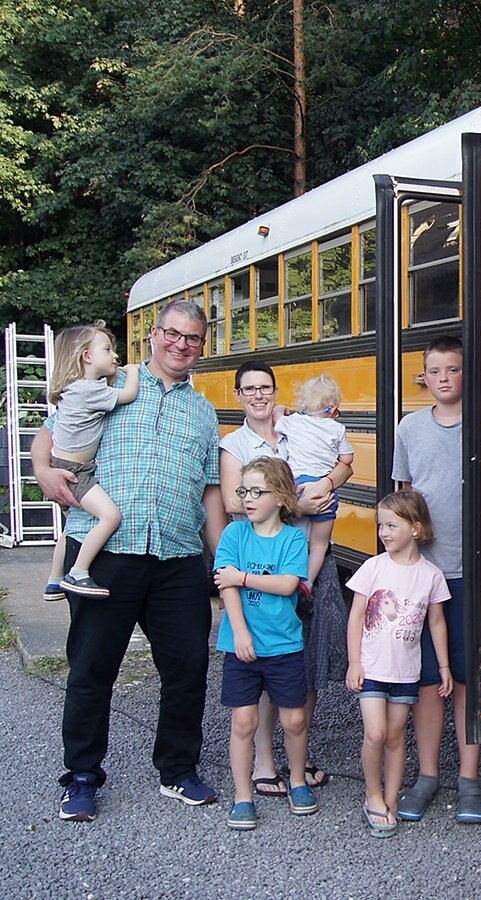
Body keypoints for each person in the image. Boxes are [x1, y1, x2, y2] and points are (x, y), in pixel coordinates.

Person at [32, 299, 227, 822]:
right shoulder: (112, 381)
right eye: (172, 334)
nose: (181, 345)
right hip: (104, 555)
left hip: (178, 555)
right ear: (154, 336)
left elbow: (211, 492)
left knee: (187, 667)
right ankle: (81, 776)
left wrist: (220, 560)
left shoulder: (203, 411)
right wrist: (42, 470)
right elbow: (53, 429)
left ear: (201, 346)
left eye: (193, 339)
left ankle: (178, 770)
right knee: (93, 668)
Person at [219, 361, 350, 796]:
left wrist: (329, 481)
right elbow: (234, 504)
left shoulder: (297, 426)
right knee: (263, 656)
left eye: (266, 387)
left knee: (304, 663)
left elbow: (343, 468)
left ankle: (300, 752)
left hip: (310, 562)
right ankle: (263, 760)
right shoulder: (235, 444)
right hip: (265, 567)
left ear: (277, 392)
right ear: (238, 394)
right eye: (249, 389)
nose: (258, 395)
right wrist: (299, 505)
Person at [391, 335, 481, 824]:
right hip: (423, 574)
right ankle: (427, 775)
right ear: (423, 376)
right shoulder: (409, 428)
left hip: (471, 571)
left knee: (467, 677)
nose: (446, 378)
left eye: (454, 369)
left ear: (466, 374)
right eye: (436, 370)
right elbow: (406, 498)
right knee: (428, 679)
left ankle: (469, 778)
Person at [214, 457, 316, 830]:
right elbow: (226, 587)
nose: (248, 499)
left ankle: (298, 781)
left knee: (294, 719)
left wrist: (241, 576)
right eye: (244, 491)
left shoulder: (292, 539)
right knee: (243, 721)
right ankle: (243, 795)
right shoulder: (233, 535)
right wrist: (239, 632)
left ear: (281, 496)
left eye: (258, 491)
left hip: (285, 645)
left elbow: (288, 584)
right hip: (241, 645)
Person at [345, 490, 452, 837]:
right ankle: (372, 794)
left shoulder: (431, 575)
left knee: (395, 736)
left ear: (416, 528)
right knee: (375, 733)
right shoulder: (373, 567)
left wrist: (445, 667)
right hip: (373, 668)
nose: (384, 533)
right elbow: (356, 615)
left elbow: (436, 622)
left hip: (407, 673)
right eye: (381, 526)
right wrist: (353, 663)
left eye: (392, 525)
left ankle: (390, 799)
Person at [43, 323, 140, 601]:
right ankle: (79, 572)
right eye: (107, 350)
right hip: (77, 472)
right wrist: (133, 372)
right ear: (87, 356)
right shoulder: (88, 390)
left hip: (62, 465)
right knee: (110, 516)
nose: (115, 357)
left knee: (71, 526)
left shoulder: (74, 389)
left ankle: (54, 581)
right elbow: (129, 394)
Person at [274, 374, 354, 587]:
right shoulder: (337, 428)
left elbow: (276, 416)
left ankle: (289, 576)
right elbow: (347, 460)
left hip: (298, 485)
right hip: (323, 487)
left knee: (294, 534)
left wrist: (283, 409)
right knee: (319, 545)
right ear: (332, 408)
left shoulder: (293, 422)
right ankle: (307, 583)